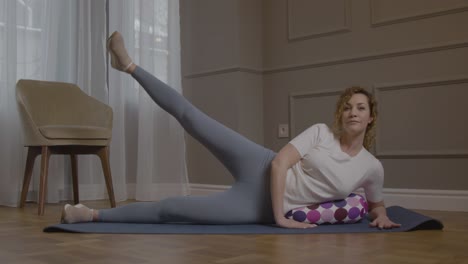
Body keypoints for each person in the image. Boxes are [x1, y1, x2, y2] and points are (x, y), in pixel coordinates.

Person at [61, 31, 401, 229]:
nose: (351, 112)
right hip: (261, 164)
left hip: (256, 207)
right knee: (193, 117)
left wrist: (382, 215)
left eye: (360, 108)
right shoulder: (320, 133)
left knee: (172, 209)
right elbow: (281, 163)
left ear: (371, 118)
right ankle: (129, 65)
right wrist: (283, 217)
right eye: (347, 106)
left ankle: (90, 214)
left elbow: (375, 204)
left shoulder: (371, 167)